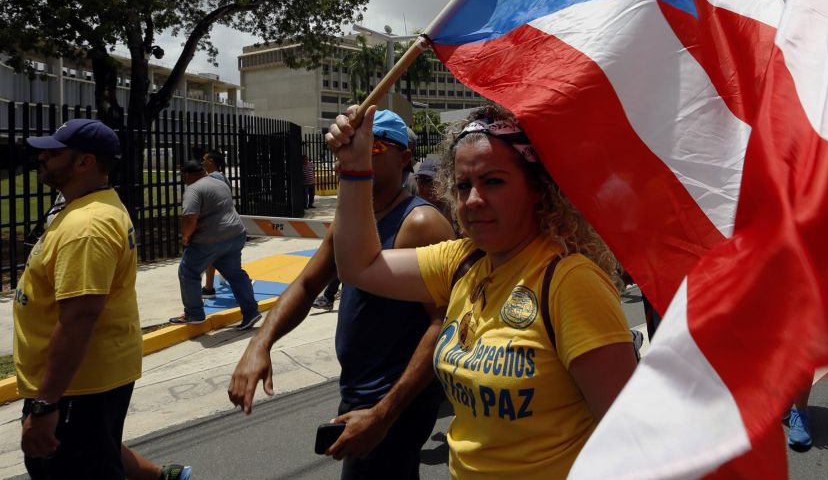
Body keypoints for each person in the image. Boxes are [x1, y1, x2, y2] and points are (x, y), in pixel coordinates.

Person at [326, 103, 637, 478]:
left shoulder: (570, 282)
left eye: (494, 181)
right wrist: (354, 168)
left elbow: (627, 442)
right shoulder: (462, 262)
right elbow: (359, 267)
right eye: (462, 185)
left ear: (537, 189)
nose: (473, 200)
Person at [229, 110, 454, 478]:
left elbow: (442, 324)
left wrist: (384, 413)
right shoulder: (351, 223)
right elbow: (306, 285)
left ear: (404, 158)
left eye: (373, 144)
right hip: (359, 389)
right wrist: (260, 343)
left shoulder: (420, 223)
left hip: (397, 399)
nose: (356, 151)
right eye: (347, 144)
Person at [13, 119, 144, 476]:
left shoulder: (85, 227)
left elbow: (79, 319)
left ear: (85, 162)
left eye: (54, 153)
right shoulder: (86, 208)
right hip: (83, 380)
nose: (42, 158)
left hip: (78, 385)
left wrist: (45, 404)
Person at [170, 160, 260, 329]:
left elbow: (189, 217)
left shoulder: (193, 189)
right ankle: (251, 312)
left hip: (209, 240)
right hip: (235, 234)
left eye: (183, 177)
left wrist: (185, 238)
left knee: (188, 271)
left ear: (187, 175)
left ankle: (194, 313)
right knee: (235, 274)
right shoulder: (220, 182)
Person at [200, 149, 230, 298]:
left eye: (204, 159)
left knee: (210, 257)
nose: (202, 162)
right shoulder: (222, 177)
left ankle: (209, 287)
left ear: (211, 161)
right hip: (225, 223)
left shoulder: (213, 178)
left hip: (216, 224)